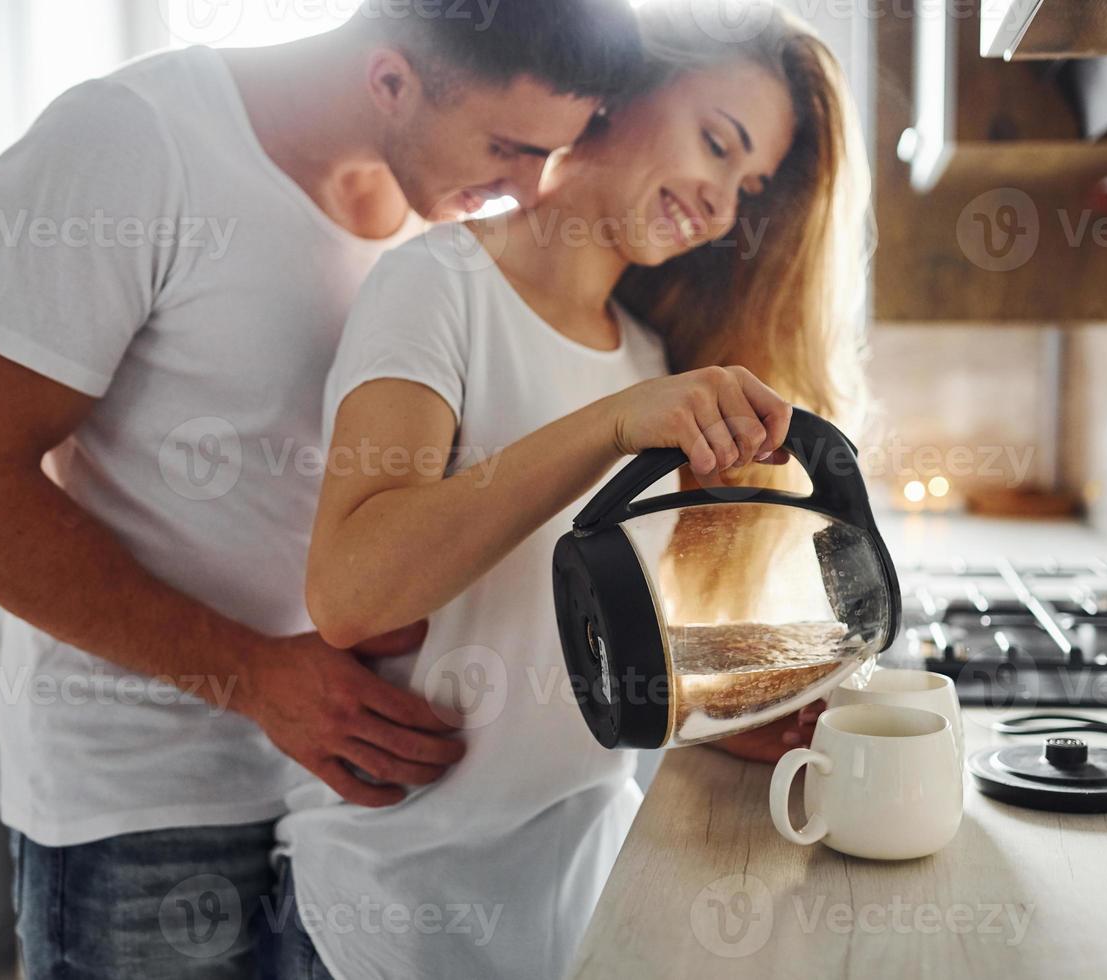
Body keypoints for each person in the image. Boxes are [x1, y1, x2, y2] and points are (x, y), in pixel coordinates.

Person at [0, 2, 641, 976]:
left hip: (349, 808)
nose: (529, 187)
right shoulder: (129, 142)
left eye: (553, 151)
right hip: (150, 811)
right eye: (508, 146)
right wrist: (251, 675)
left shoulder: (439, 215)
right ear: (389, 81)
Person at [278, 3, 871, 977]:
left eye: (747, 185)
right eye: (717, 144)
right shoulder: (437, 286)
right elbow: (350, 590)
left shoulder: (646, 358)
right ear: (621, 94)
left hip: (581, 880)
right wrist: (610, 425)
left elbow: (558, 641)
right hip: (400, 899)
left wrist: (709, 708)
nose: (721, 204)